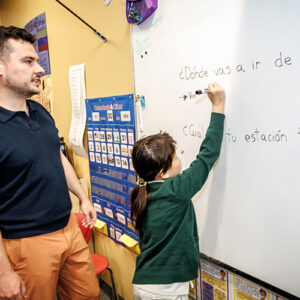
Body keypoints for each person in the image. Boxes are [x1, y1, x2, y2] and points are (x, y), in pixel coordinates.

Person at [0, 26, 100, 300]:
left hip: (67, 226)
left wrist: (82, 198)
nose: (40, 69)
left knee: (89, 294)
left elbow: (56, 156)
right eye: (28, 61)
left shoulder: (41, 112)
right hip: (28, 242)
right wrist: (4, 273)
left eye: (37, 60)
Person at [130, 82, 225, 300]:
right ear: (163, 172)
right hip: (165, 291)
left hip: (144, 283)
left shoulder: (142, 190)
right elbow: (207, 156)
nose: (179, 157)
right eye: (175, 156)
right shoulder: (176, 190)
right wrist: (218, 106)